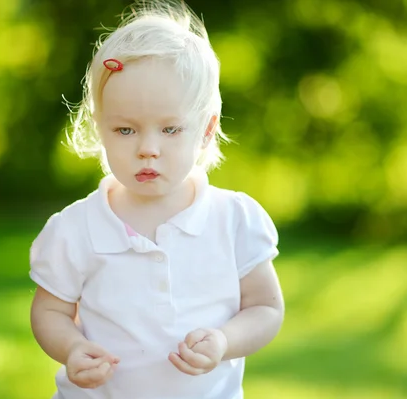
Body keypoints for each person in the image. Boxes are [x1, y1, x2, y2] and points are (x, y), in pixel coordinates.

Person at [29, 1, 284, 398]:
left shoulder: (234, 220)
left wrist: (223, 341)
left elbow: (265, 308)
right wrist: (72, 347)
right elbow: (50, 312)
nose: (148, 148)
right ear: (101, 127)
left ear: (205, 129)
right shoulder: (74, 228)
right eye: (126, 130)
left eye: (170, 129)